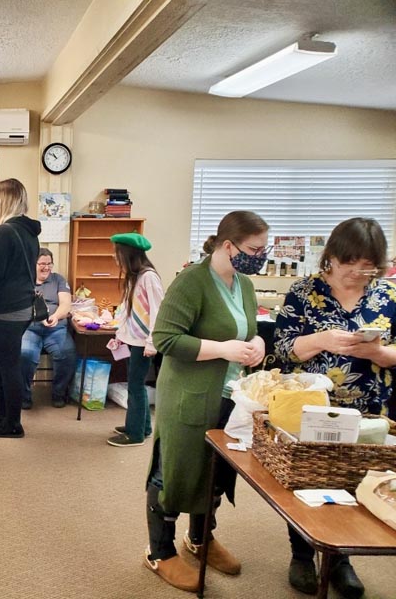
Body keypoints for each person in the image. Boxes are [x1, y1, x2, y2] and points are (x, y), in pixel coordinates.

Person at [144, 211, 268, 592]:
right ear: (227, 246)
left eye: (264, 249)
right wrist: (222, 349)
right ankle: (160, 552)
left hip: (231, 395)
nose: (260, 256)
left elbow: (249, 328)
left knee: (216, 472)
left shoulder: (243, 284)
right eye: (254, 249)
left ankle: (200, 539)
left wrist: (258, 344)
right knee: (175, 471)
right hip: (188, 395)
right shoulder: (191, 282)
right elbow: (165, 339)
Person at [274, 217, 396, 599]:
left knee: (352, 481)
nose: (358, 274)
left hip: (368, 409)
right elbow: (282, 349)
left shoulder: (387, 296)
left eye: (368, 267)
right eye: (350, 264)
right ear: (332, 257)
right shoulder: (304, 291)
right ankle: (300, 555)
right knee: (305, 480)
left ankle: (340, 559)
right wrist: (321, 339)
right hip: (311, 406)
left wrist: (378, 352)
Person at [0, 178, 41, 438]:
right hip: (20, 308)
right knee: (3, 365)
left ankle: (12, 423)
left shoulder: (3, 232)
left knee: (8, 367)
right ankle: (3, 412)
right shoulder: (28, 232)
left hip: (6, 310)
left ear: (5, 200)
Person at [106, 233, 164, 447]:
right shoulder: (135, 277)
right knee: (135, 384)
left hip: (143, 344)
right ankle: (143, 427)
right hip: (133, 340)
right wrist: (120, 335)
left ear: (128, 254)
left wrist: (152, 342)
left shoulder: (149, 277)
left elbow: (158, 312)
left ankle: (135, 434)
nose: (115, 257)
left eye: (117, 253)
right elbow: (128, 310)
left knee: (135, 387)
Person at [19, 248, 77, 410]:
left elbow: (66, 304)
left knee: (67, 352)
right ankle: (24, 396)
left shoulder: (58, 280)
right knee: (25, 354)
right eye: (42, 264)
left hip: (56, 328)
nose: (46, 267)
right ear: (33, 264)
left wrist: (56, 317)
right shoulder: (24, 280)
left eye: (49, 264)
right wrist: (37, 316)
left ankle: (59, 394)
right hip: (30, 329)